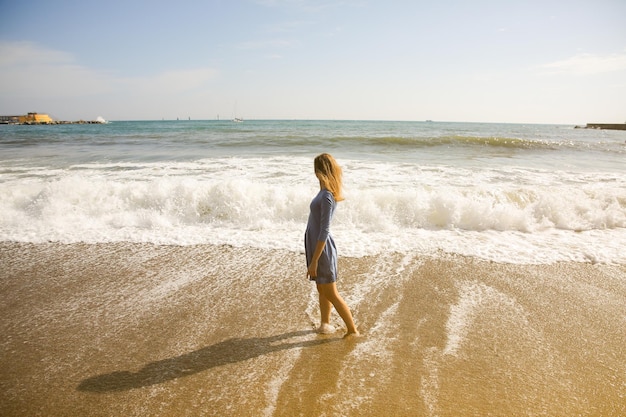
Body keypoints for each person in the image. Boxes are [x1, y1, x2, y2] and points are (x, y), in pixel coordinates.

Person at [305, 153, 359, 337]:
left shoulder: (327, 196)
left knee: (331, 292)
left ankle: (353, 331)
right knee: (322, 287)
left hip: (323, 251)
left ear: (320, 170)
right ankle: (325, 324)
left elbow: (324, 230)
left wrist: (314, 261)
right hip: (317, 248)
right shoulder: (323, 192)